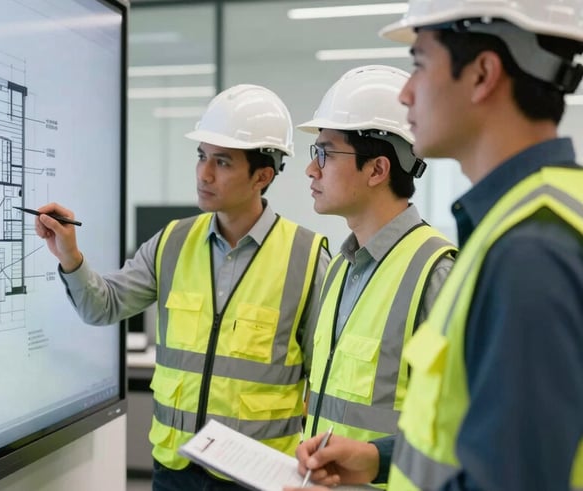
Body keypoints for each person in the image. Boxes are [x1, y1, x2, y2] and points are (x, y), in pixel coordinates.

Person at [289, 1, 583, 490]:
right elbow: (467, 438)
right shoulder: (526, 221)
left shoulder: (531, 250)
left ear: (483, 73)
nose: (405, 92)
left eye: (420, 63)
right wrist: (377, 459)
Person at [34, 84, 330, 491]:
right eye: (202, 156)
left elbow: (323, 383)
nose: (204, 174)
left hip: (257, 478)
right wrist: (69, 255)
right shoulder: (171, 243)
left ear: (262, 176)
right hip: (173, 471)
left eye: (222, 162)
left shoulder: (307, 258)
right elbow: (102, 307)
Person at [297, 65, 456, 450]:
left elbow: (455, 427)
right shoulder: (339, 268)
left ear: (378, 169)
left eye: (324, 153)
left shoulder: (437, 273)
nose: (310, 169)